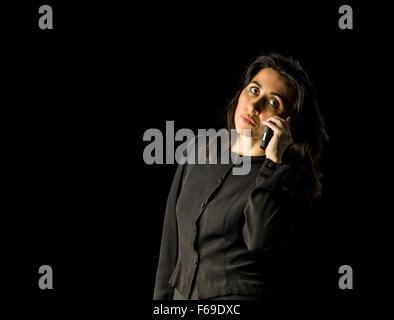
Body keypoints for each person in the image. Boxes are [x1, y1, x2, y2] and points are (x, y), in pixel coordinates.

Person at [153, 53, 328, 300]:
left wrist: (272, 163)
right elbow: (170, 245)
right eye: (254, 90)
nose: (255, 106)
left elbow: (259, 240)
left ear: (287, 123)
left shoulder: (287, 179)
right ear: (241, 92)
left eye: (273, 103)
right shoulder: (199, 150)